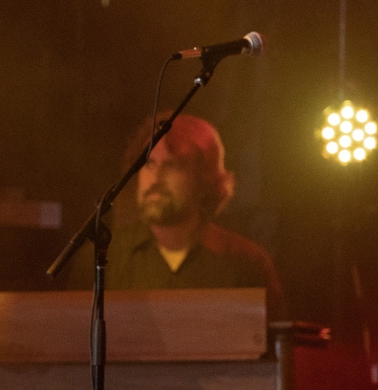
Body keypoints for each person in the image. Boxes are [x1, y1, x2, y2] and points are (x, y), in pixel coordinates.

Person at [71, 113, 283, 315]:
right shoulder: (102, 257)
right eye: (149, 164)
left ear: (205, 179)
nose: (155, 179)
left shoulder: (246, 263)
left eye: (172, 165)